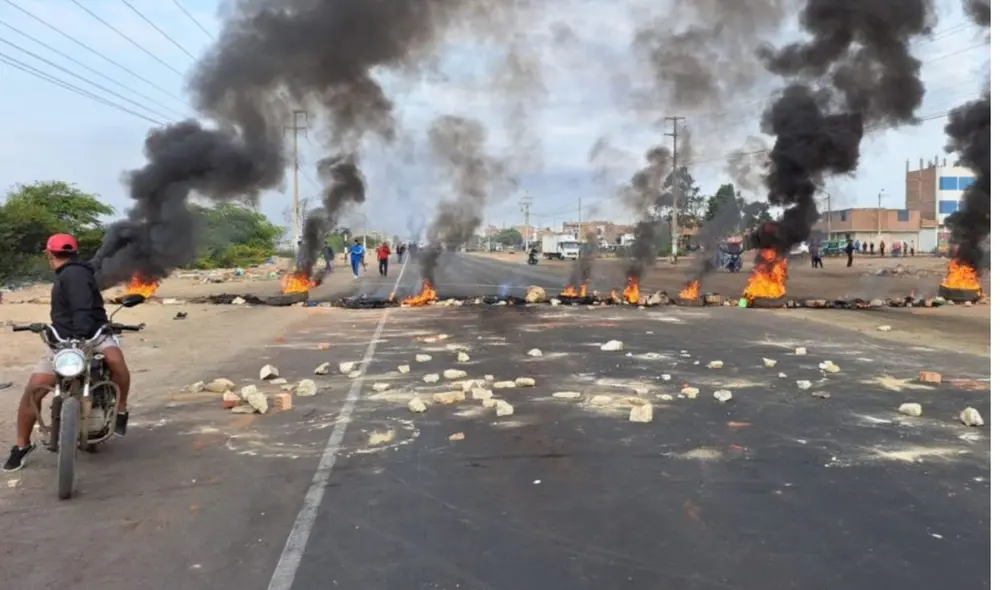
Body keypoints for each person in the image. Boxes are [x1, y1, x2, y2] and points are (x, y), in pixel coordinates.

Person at [4, 234, 132, 472]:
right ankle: (22, 445)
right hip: (62, 341)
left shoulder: (74, 274)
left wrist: (83, 334)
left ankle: (121, 408)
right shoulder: (76, 272)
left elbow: (83, 308)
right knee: (36, 387)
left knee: (113, 361)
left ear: (49, 255)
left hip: (94, 335)